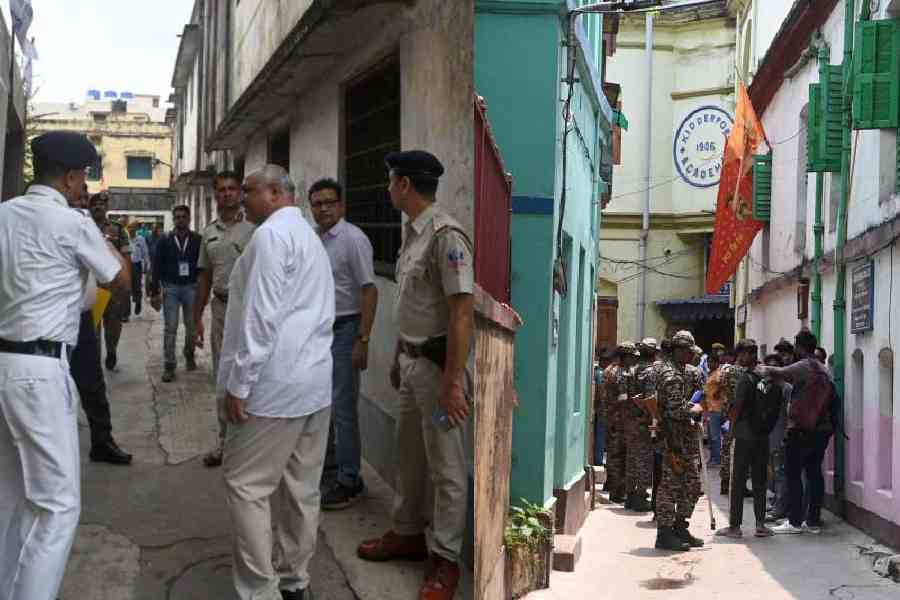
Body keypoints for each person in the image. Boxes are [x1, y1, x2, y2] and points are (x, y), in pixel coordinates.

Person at [0, 131, 130, 600]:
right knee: (56, 505)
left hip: (3, 362)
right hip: (39, 371)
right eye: (83, 180)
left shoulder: (3, 214)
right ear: (72, 177)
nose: (85, 190)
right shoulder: (73, 223)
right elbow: (120, 280)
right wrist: (104, 240)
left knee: (10, 497)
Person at [356, 151, 473, 600]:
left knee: (446, 467)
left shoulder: (447, 236)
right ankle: (407, 533)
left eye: (390, 181)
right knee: (408, 456)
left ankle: (444, 559)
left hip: (438, 372)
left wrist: (453, 382)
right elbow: (414, 307)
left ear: (404, 184)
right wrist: (397, 356)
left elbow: (461, 314)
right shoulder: (414, 234)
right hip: (411, 365)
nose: (387, 189)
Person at [219, 165, 334, 600]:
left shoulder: (271, 236)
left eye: (247, 191)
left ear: (273, 192)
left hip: (275, 386)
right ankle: (294, 582)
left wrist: (239, 384)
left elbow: (261, 316)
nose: (241, 198)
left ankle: (261, 590)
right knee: (300, 488)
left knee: (246, 485)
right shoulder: (307, 236)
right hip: (312, 385)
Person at [308, 177, 379, 510]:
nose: (323, 208)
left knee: (344, 408)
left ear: (341, 205)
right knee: (324, 404)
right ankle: (332, 468)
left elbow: (370, 290)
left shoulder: (353, 240)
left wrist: (362, 339)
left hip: (346, 330)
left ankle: (351, 480)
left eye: (328, 202)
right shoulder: (315, 239)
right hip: (319, 333)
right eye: (317, 203)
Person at [192, 171, 256, 468]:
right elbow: (204, 277)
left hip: (250, 311)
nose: (227, 194)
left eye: (232, 189)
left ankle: (251, 442)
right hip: (220, 309)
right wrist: (196, 320)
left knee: (252, 372)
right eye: (221, 190)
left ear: (241, 194)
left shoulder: (256, 229)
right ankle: (224, 441)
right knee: (223, 374)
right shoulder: (208, 233)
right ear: (215, 195)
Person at [69, 184, 133, 466]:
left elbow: (123, 267)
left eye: (91, 200)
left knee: (93, 381)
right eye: (84, 199)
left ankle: (102, 441)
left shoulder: (114, 230)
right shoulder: (72, 224)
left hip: (100, 296)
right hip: (67, 313)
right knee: (70, 378)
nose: (90, 205)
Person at [758, 329, 835, 535]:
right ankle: (813, 522)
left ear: (800, 347)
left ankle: (794, 522)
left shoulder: (803, 365)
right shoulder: (824, 369)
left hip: (800, 428)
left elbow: (778, 373)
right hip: (822, 429)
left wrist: (760, 368)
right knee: (814, 474)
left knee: (792, 473)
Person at [715, 339, 778, 539]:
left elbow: (738, 407)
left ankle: (735, 527)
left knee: (738, 480)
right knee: (760, 480)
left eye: (741, 354)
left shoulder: (746, 378)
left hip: (744, 434)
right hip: (762, 435)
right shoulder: (767, 376)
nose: (739, 358)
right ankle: (760, 525)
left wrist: (731, 430)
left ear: (748, 354)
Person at [654, 331, 705, 551]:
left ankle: (679, 526)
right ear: (677, 351)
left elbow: (698, 392)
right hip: (673, 440)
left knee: (692, 485)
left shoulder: (686, 371)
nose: (690, 356)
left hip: (687, 439)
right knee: (670, 486)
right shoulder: (670, 375)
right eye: (686, 351)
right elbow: (676, 410)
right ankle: (664, 533)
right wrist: (695, 410)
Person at [149, 205, 202, 382]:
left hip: (191, 288)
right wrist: (154, 291)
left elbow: (202, 267)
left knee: (191, 327)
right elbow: (156, 266)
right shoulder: (165, 240)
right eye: (177, 217)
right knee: (170, 328)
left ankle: (189, 354)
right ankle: (169, 365)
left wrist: (202, 290)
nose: (180, 220)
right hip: (170, 288)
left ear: (189, 219)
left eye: (183, 217)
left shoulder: (197, 240)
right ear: (174, 219)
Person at [90, 192, 131, 370]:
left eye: (101, 204)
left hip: (113, 287)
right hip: (92, 288)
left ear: (106, 207)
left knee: (114, 324)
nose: (98, 206)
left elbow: (126, 256)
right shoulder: (84, 227)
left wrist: (127, 285)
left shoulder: (118, 229)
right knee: (94, 327)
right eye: (95, 204)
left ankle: (112, 349)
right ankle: (95, 361)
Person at [624, 338, 658, 512]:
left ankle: (630, 495)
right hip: (643, 422)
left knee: (631, 458)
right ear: (654, 353)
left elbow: (628, 395)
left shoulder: (632, 369)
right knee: (644, 459)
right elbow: (651, 399)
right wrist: (655, 418)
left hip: (631, 420)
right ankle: (640, 496)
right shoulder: (651, 372)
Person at [603, 342, 639, 503]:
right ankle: (617, 492)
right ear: (625, 356)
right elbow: (623, 398)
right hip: (620, 419)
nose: (634, 360)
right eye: (632, 357)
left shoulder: (610, 369)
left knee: (613, 454)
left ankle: (612, 485)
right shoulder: (620, 373)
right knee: (619, 456)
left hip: (612, 417)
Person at [765, 354, 792, 523]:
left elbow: (790, 414)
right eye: (768, 367)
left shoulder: (786, 388)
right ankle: (776, 501)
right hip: (767, 435)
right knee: (772, 473)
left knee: (780, 472)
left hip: (780, 434)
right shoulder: (764, 386)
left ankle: (780, 508)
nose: (771, 371)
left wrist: (786, 434)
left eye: (774, 367)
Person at [701, 354, 724, 466]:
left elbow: (722, 384)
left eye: (711, 362)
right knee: (710, 436)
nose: (709, 364)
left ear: (717, 363)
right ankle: (712, 457)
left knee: (715, 436)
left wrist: (718, 391)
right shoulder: (711, 374)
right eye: (708, 362)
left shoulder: (719, 373)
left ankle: (717, 459)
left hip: (716, 408)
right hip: (709, 408)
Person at [129, 222, 151, 317]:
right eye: (129, 227)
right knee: (127, 288)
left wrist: (147, 263)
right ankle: (126, 313)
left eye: (133, 227)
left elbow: (145, 252)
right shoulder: (125, 239)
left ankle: (138, 302)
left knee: (137, 285)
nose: (131, 229)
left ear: (136, 229)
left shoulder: (141, 239)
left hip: (137, 265)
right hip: (127, 265)